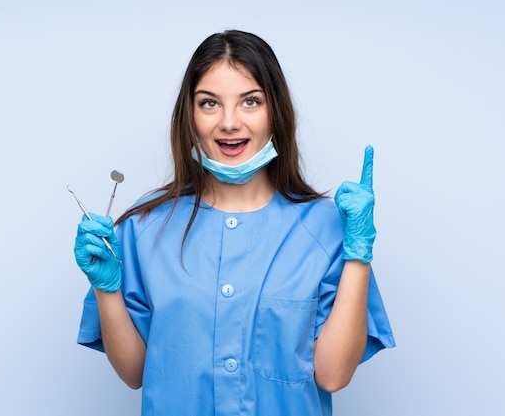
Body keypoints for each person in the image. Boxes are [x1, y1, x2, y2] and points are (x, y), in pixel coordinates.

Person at [74, 30, 394, 416]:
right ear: (189, 116)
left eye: (250, 101)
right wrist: (106, 289)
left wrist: (359, 254)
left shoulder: (325, 229)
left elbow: (333, 375)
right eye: (209, 103)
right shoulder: (144, 229)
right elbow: (135, 372)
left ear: (275, 111)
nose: (229, 122)